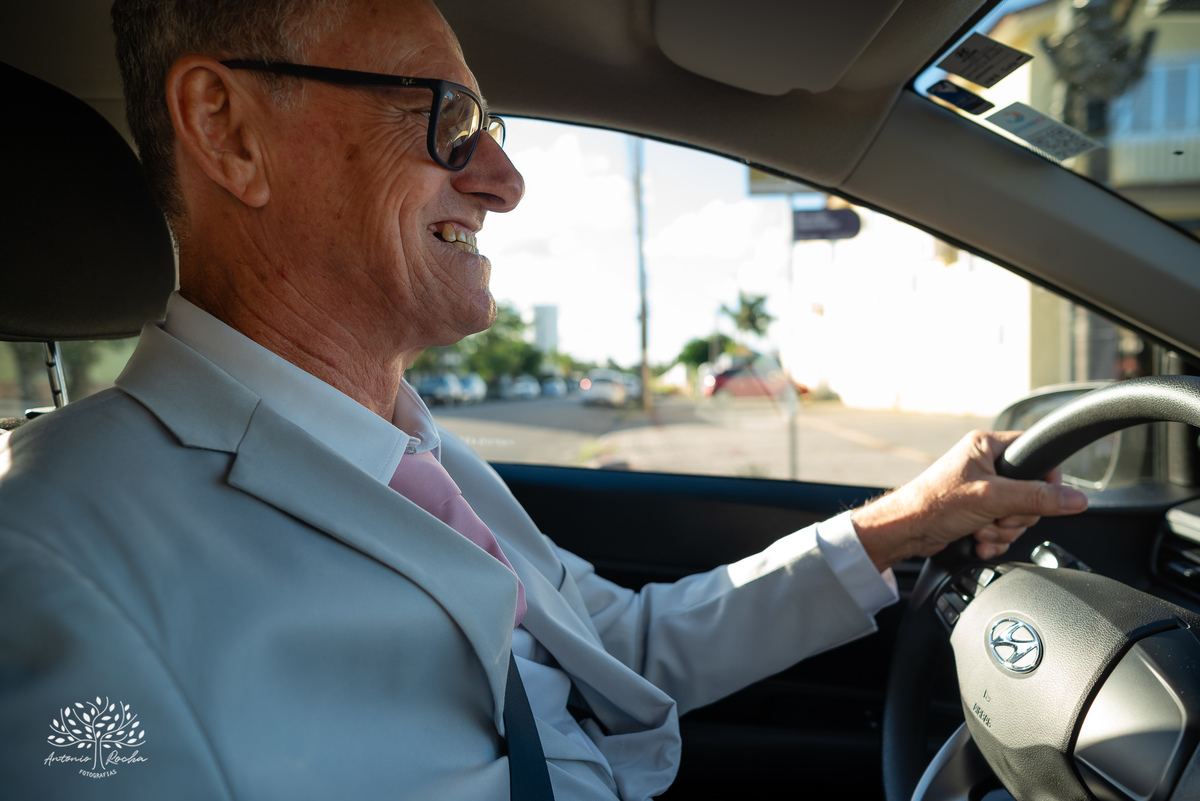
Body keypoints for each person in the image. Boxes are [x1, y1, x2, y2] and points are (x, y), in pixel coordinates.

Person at [0, 0, 1088, 798]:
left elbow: (619, 651)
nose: (503, 180)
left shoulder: (418, 454)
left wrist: (906, 522)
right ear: (230, 131)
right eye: (447, 115)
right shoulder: (52, 553)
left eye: (490, 124)